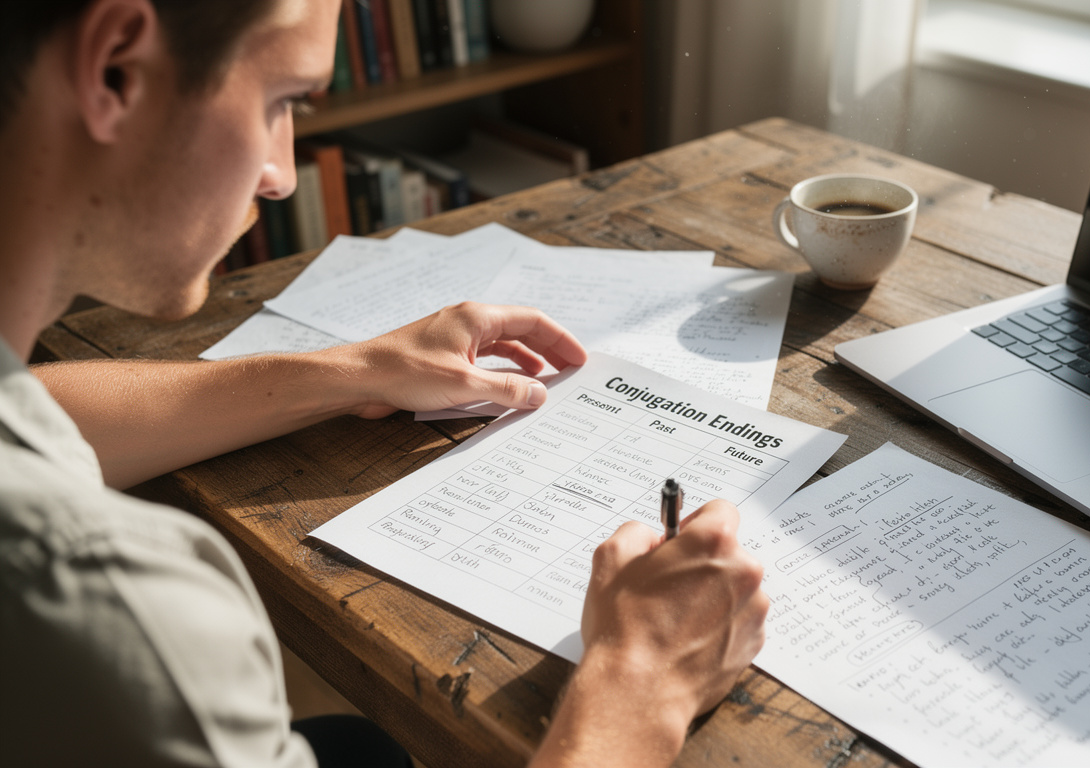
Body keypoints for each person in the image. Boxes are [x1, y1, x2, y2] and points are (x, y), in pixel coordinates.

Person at [0, 1, 770, 766]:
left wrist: (351, 372)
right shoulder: (109, 606)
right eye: (281, 101)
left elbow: (26, 410)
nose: (278, 177)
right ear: (116, 71)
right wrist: (642, 688)